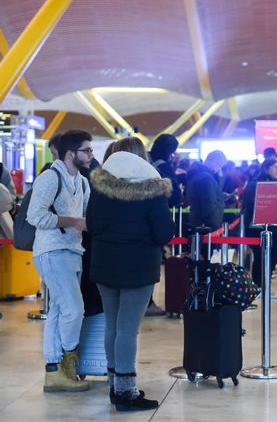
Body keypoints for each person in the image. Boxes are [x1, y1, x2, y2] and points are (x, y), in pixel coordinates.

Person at [87, 137, 174, 411]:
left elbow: (93, 225)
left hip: (104, 265)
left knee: (112, 325)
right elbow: (164, 232)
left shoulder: (101, 187)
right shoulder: (152, 191)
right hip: (138, 267)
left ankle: (115, 384)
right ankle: (126, 392)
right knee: (128, 329)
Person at [27, 130, 92, 393]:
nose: (90, 155)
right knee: (74, 309)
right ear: (70, 154)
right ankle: (68, 362)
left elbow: (86, 215)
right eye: (86, 150)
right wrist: (73, 222)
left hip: (73, 251)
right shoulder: (49, 178)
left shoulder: (83, 182)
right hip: (51, 252)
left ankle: (53, 371)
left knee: (58, 310)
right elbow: (35, 216)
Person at [241, 158, 277, 297]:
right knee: (260, 258)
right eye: (274, 167)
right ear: (266, 168)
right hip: (257, 228)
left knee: (272, 259)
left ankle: (265, 288)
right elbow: (250, 205)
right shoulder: (253, 185)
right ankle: (258, 287)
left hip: (276, 229)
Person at [186, 150, 227, 232]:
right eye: (219, 166)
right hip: (207, 227)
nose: (219, 169)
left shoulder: (197, 174)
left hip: (198, 222)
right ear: (215, 161)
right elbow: (208, 202)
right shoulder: (206, 178)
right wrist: (213, 224)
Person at [150, 134, 182, 208]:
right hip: (157, 209)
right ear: (170, 152)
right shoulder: (165, 168)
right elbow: (175, 197)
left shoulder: (142, 161)